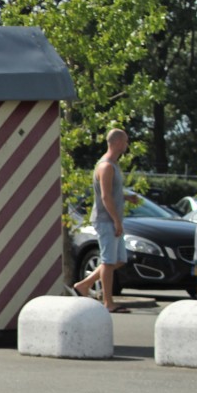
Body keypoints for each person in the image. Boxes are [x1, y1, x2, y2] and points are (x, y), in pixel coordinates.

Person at [71, 128, 130, 312]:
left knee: (119, 260)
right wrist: (116, 221)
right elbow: (105, 197)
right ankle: (108, 302)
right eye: (125, 141)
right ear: (118, 142)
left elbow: (113, 192)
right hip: (106, 220)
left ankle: (84, 284)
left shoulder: (113, 165)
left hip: (112, 219)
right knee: (108, 261)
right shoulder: (105, 166)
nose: (127, 145)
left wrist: (127, 198)